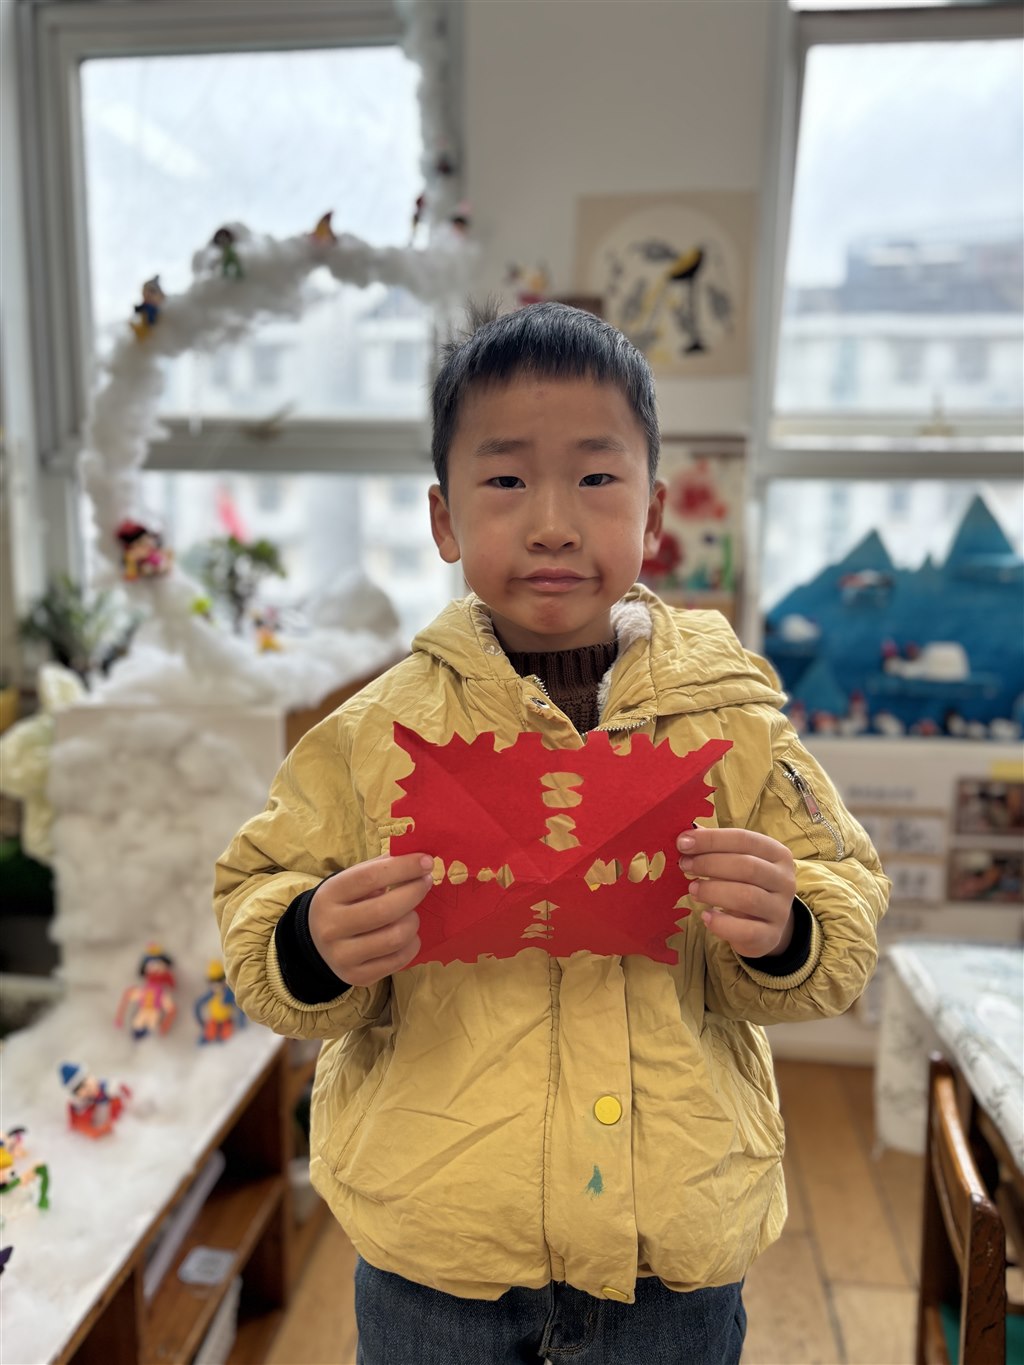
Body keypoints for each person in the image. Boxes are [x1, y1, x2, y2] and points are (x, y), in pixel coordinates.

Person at [214, 302, 889, 1365]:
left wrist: (789, 929)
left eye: (595, 476)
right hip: (438, 1257)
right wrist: (307, 942)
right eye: (505, 480)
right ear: (443, 519)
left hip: (671, 1258)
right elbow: (257, 897)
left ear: (653, 511)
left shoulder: (735, 721)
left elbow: (843, 901)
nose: (552, 523)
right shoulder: (373, 734)